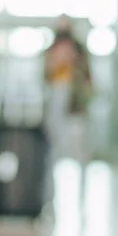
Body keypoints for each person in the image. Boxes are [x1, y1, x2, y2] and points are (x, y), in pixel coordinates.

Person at [41, 16, 93, 165]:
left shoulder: (80, 51)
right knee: (54, 134)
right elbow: (46, 74)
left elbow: (87, 77)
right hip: (57, 91)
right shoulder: (52, 49)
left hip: (74, 99)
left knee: (77, 139)